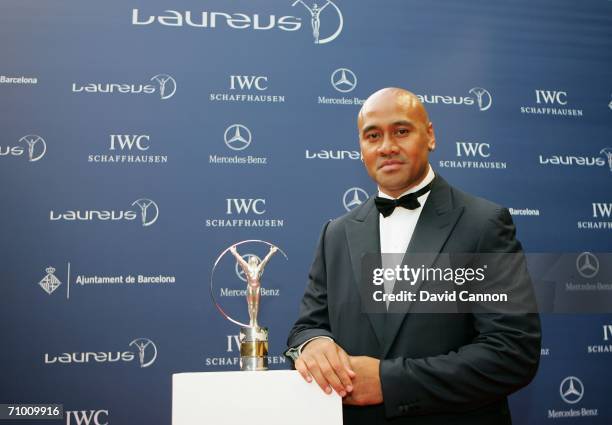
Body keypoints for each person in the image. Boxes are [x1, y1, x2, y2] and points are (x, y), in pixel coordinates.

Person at [285, 88, 541, 424]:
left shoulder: (484, 224)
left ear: (430, 136)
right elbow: (308, 326)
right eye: (372, 135)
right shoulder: (336, 233)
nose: (387, 147)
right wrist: (312, 344)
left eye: (401, 131)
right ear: (361, 149)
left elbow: (512, 353)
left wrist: (388, 382)